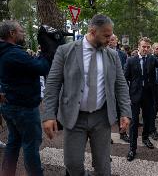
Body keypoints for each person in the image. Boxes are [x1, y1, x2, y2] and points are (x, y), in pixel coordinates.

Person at [42, 14, 132, 176]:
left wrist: (125, 111)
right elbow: (52, 85)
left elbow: (121, 85)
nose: (109, 39)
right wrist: (49, 114)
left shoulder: (112, 55)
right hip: (74, 118)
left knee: (103, 166)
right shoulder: (65, 51)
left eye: (111, 35)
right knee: (72, 163)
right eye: (106, 35)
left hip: (101, 118)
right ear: (92, 31)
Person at [0, 20, 50, 176]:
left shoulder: (5, 51)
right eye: (21, 31)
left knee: (14, 142)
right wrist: (45, 52)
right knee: (30, 145)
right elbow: (42, 68)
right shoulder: (14, 53)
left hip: (9, 104)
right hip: (24, 107)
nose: (24, 33)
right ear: (12, 34)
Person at [125, 37, 158, 161]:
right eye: (143, 46)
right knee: (133, 122)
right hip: (134, 95)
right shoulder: (131, 60)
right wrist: (126, 95)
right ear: (139, 46)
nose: (145, 49)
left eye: (148, 47)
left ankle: (145, 138)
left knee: (148, 119)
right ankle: (132, 149)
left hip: (149, 94)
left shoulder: (152, 58)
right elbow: (125, 77)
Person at [108, 34, 130, 143]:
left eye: (112, 40)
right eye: (109, 39)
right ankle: (107, 135)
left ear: (116, 41)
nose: (110, 42)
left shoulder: (122, 54)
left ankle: (123, 133)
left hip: (119, 87)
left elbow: (125, 71)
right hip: (108, 89)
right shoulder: (103, 53)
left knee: (121, 110)